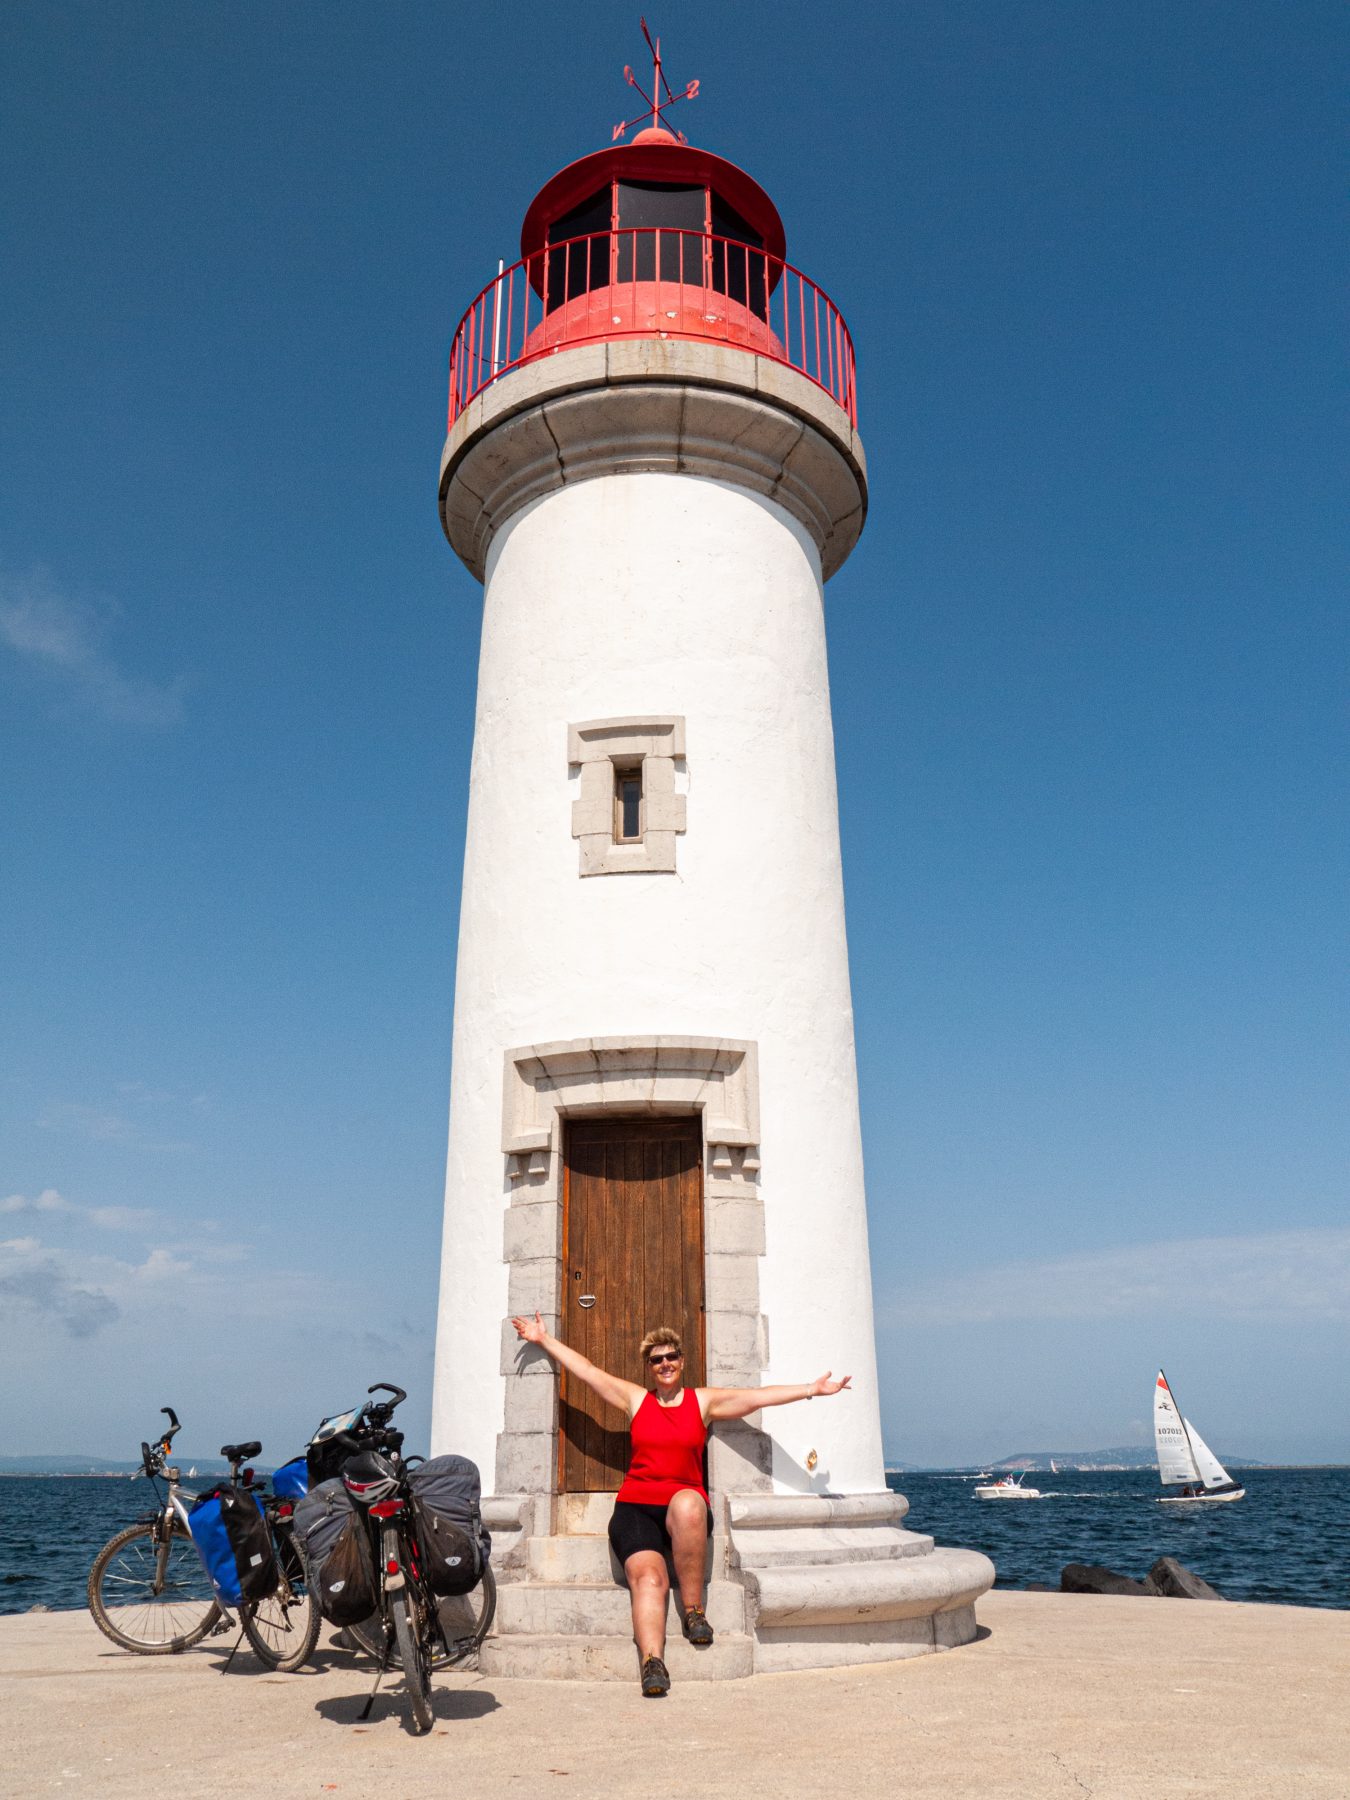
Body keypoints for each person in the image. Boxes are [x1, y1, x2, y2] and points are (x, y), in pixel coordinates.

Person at [511, 1310, 851, 1696]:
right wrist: (543, 1339)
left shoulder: (702, 1402)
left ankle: (693, 1612)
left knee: (690, 1503)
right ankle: (652, 1662)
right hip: (635, 1509)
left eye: (671, 1356)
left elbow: (755, 1398)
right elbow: (588, 1371)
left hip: (682, 1509)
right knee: (651, 1579)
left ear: (682, 1360)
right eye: (656, 1359)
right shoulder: (636, 1399)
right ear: (649, 1367)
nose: (665, 1364)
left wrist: (812, 1389)